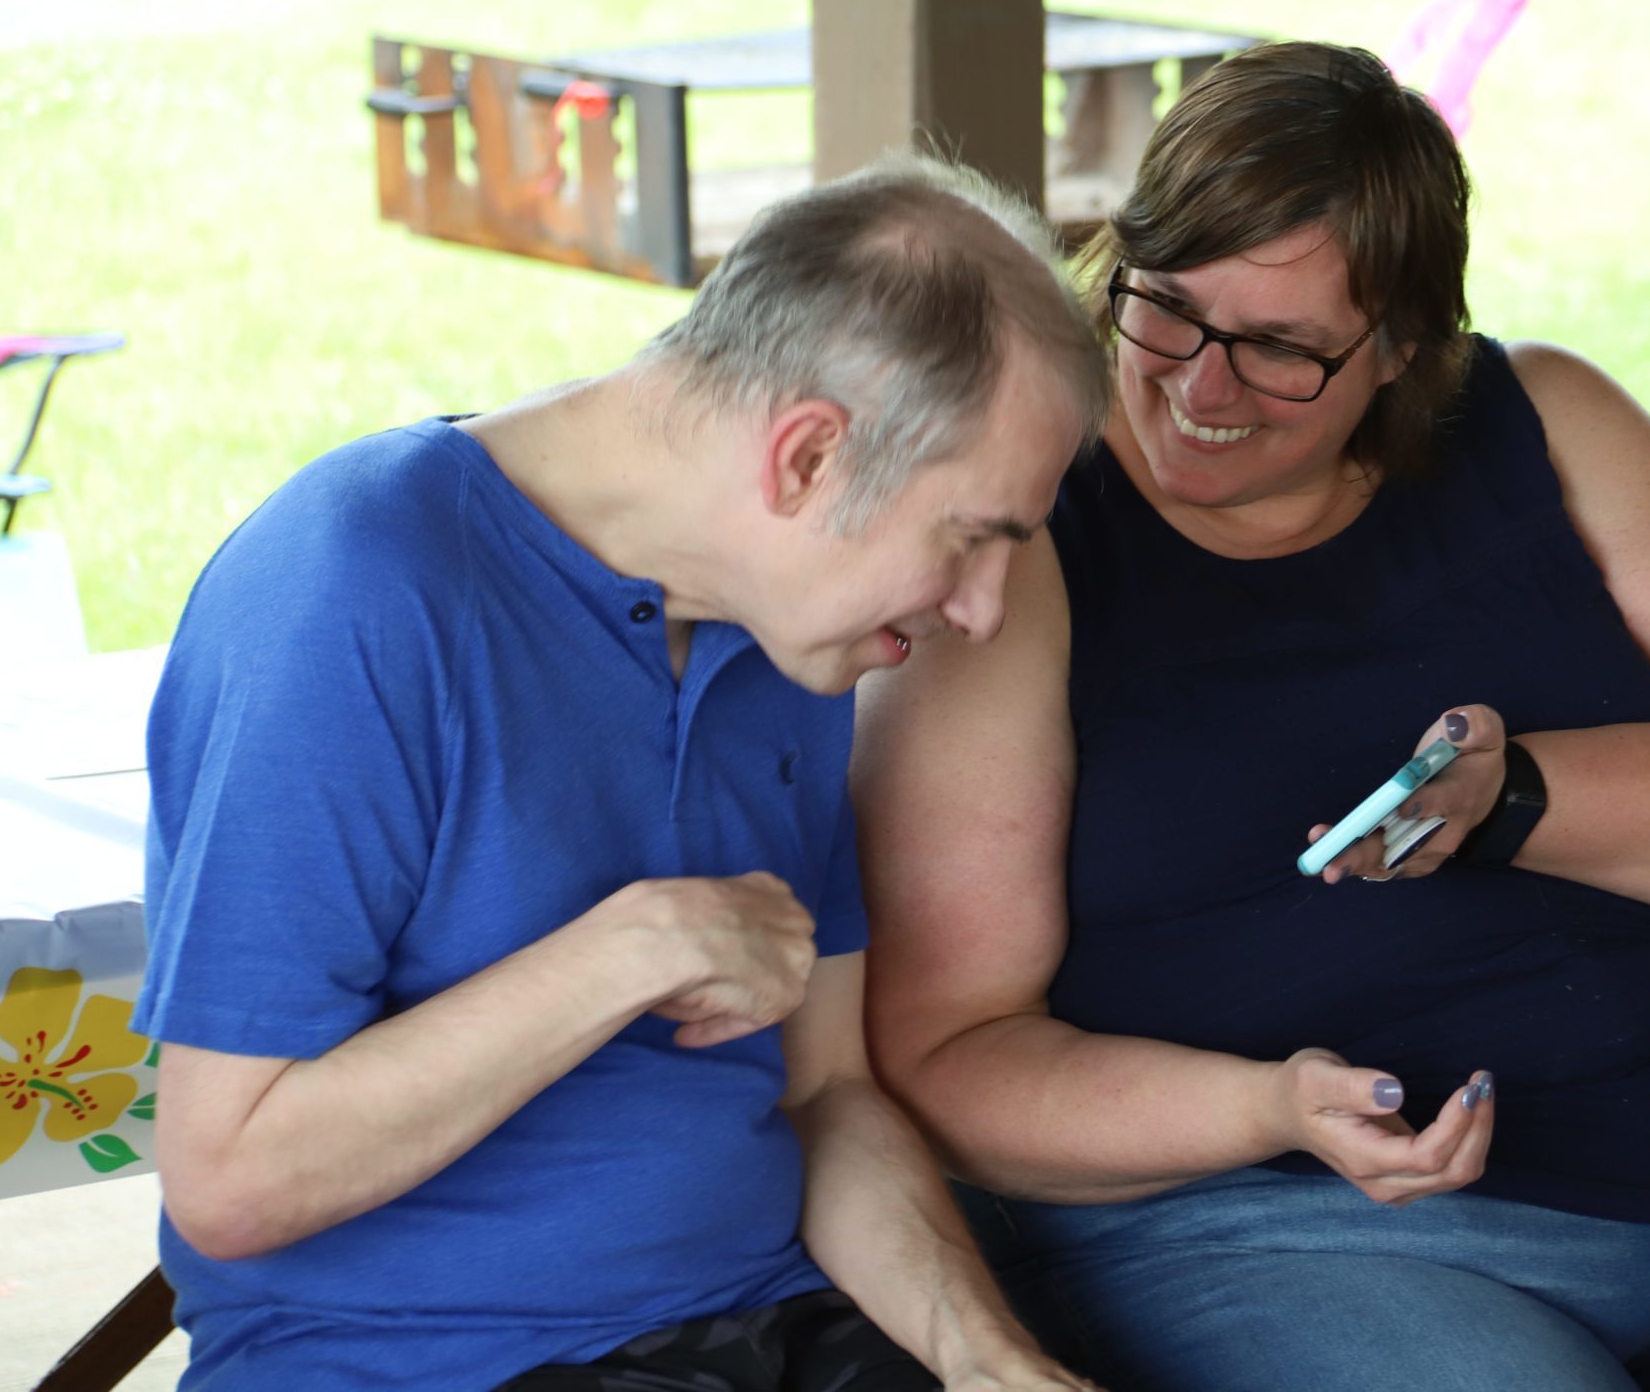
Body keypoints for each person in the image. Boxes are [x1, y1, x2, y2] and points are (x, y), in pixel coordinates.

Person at [852, 44, 1650, 1390]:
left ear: (1407, 345)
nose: (1198, 386)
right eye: (1164, 309)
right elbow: (945, 1056)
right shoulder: (1031, 524)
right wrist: (1261, 1107)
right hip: (1291, 1225)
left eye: (1283, 349)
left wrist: (1513, 796)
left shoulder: (1539, 418)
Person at [133, 156, 1110, 1392]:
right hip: (422, 1364)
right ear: (807, 459)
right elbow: (230, 1179)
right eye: (971, 540)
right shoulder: (355, 588)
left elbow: (828, 1096)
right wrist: (635, 949)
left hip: (770, 1324)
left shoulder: (784, 638)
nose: (981, 612)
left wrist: (983, 1358)